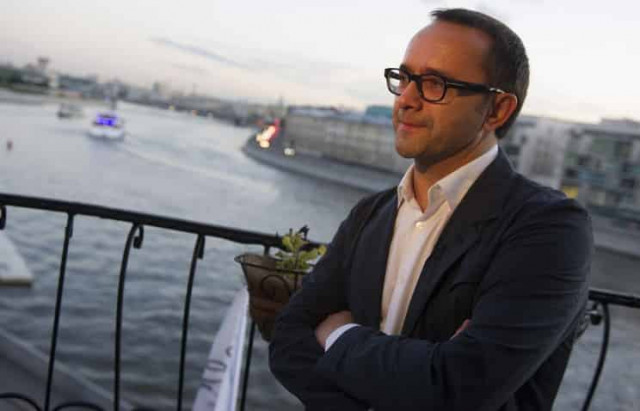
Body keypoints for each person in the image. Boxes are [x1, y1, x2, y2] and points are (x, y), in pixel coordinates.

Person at [269, 8, 592, 411]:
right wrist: (417, 377)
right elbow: (288, 339)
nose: (406, 99)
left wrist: (338, 335)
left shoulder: (549, 228)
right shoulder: (370, 213)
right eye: (404, 78)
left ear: (497, 110)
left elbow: (458, 388)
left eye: (435, 84)